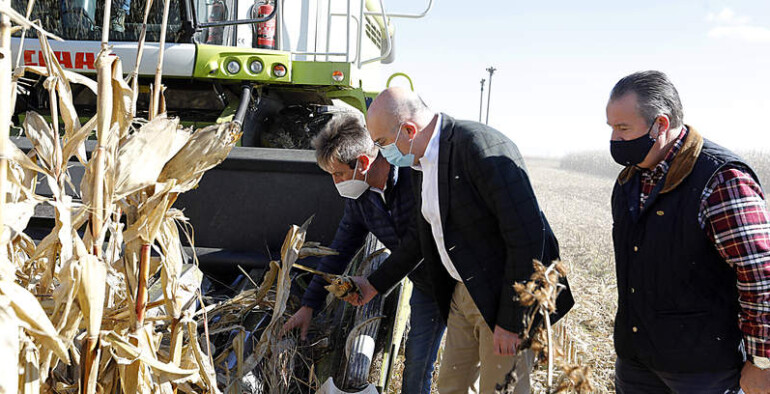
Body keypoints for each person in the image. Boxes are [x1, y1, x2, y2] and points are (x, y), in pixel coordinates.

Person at [346, 88, 574, 393]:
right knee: (451, 386)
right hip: (463, 293)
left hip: (502, 294)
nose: (381, 152)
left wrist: (512, 319)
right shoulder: (419, 164)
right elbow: (420, 240)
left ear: (409, 130)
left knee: (501, 388)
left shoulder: (481, 148)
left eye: (382, 143)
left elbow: (528, 238)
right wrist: (374, 284)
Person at [606, 70, 770, 393]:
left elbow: (760, 275)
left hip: (702, 372)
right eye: (611, 128)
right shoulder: (628, 181)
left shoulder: (720, 181)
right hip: (637, 362)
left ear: (660, 125)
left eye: (623, 128)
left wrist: (762, 361)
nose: (614, 140)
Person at [280, 111, 446, 394]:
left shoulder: (414, 178)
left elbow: (418, 243)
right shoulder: (361, 201)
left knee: (465, 364)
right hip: (427, 286)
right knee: (417, 367)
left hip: (458, 278)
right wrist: (309, 305)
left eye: (339, 174)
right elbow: (338, 252)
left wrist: (373, 284)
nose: (337, 183)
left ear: (364, 163)